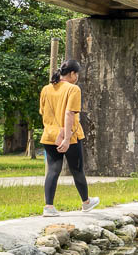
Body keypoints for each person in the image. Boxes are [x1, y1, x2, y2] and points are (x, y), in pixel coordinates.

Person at [40, 59, 100, 216]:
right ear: (72, 73)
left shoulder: (46, 89)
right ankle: (86, 203)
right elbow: (69, 114)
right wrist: (66, 138)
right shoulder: (73, 89)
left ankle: (49, 207)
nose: (78, 77)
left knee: (53, 169)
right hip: (70, 136)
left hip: (50, 135)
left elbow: (43, 112)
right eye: (77, 73)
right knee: (77, 169)